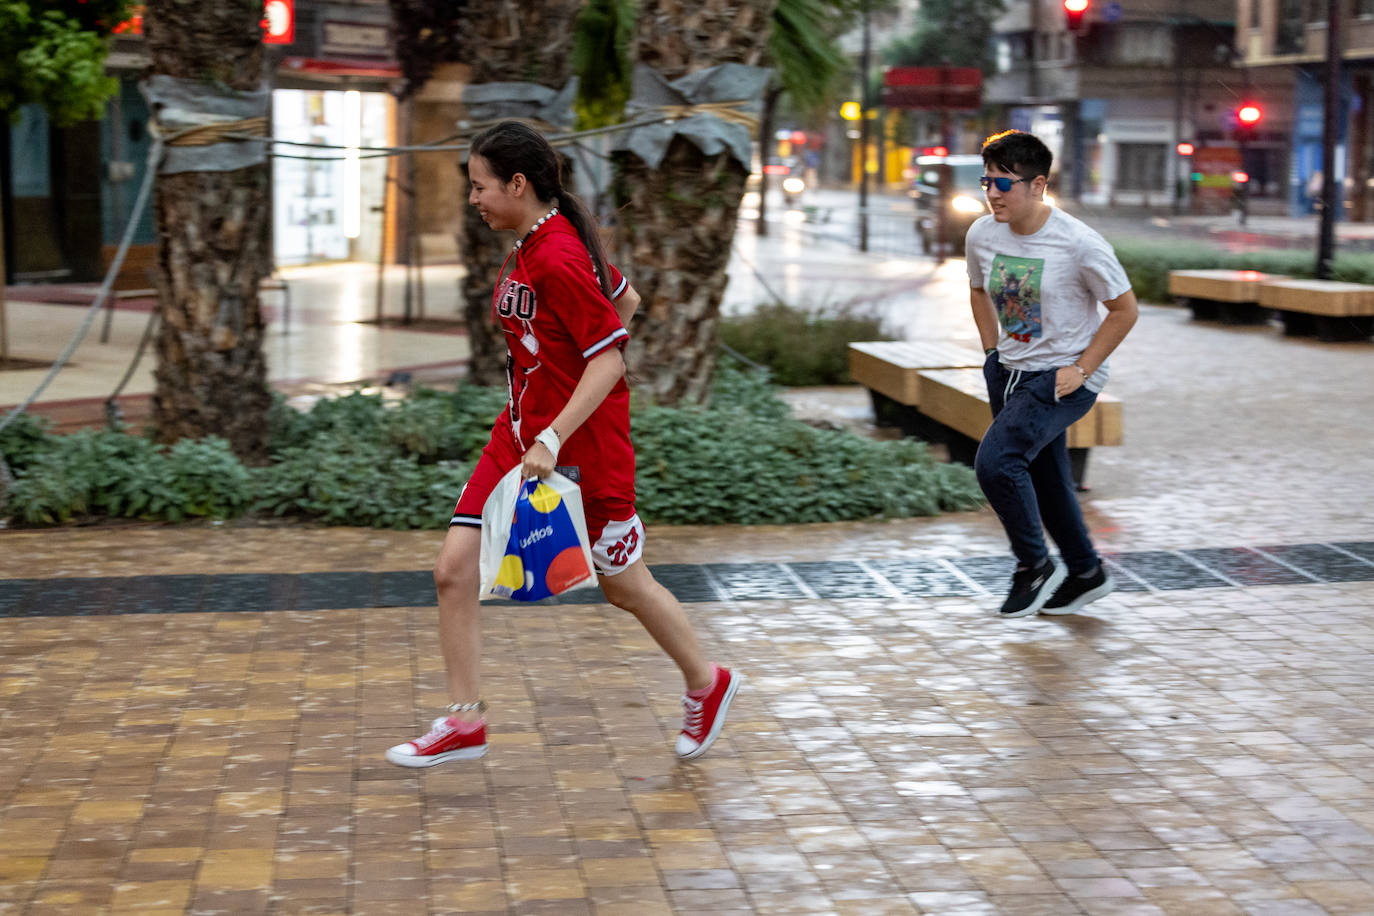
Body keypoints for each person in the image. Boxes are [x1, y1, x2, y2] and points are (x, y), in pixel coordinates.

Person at [386, 121, 742, 767]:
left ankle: (706, 681)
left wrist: (556, 428)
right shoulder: (532, 243)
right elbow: (624, 299)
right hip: (518, 437)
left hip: (580, 452)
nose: (473, 200)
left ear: (517, 184)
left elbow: (610, 361)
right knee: (452, 571)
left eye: (479, 187)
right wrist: (545, 398)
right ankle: (464, 722)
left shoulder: (556, 255)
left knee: (624, 586)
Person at [964, 130, 1138, 618]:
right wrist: (990, 352)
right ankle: (1085, 572)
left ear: (1037, 185)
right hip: (1009, 372)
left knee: (996, 465)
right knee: (1046, 479)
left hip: (1061, 378)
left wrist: (1082, 369)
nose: (993, 194)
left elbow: (1124, 311)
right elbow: (978, 290)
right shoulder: (982, 233)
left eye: (1003, 184)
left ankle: (1033, 566)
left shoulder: (1080, 243)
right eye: (987, 183)